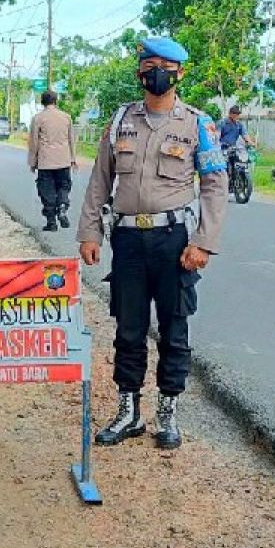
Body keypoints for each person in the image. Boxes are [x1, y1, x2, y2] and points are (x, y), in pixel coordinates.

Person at [77, 37, 228, 451]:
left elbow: (215, 186)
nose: (156, 71)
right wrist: (90, 231)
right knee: (128, 329)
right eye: (149, 64)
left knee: (174, 328)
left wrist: (204, 242)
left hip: (174, 241)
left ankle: (167, 412)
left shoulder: (199, 124)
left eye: (165, 65)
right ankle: (129, 411)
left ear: (180, 72)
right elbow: (100, 180)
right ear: (139, 71)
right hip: (127, 239)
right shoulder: (121, 120)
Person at [28, 91, 77, 232]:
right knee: (64, 186)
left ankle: (51, 222)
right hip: (63, 160)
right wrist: (72, 159)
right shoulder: (66, 117)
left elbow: (34, 143)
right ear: (56, 101)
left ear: (42, 102)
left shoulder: (38, 118)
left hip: (46, 161)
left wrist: (33, 162)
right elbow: (71, 139)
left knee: (47, 190)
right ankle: (62, 206)